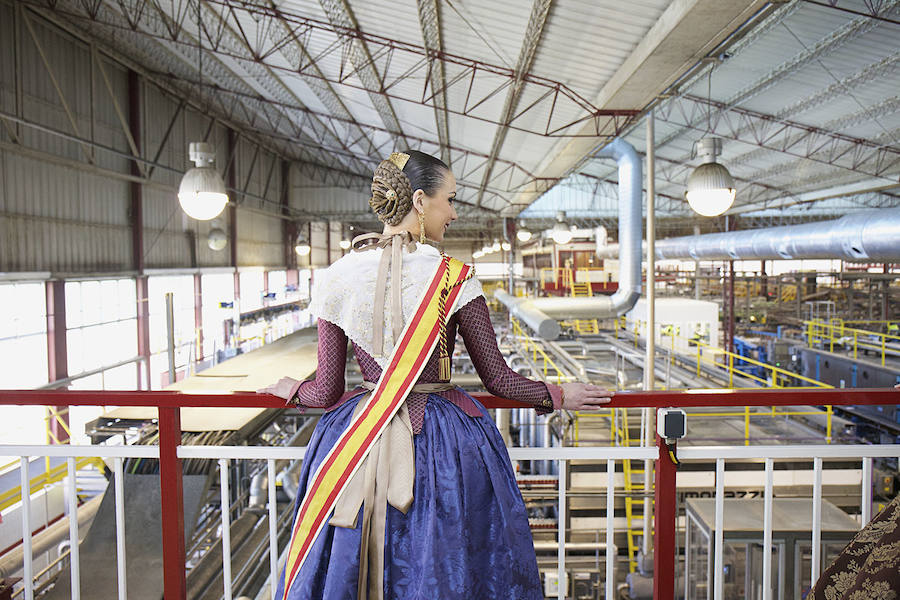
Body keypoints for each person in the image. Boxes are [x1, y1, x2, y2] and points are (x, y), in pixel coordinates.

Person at [260, 150, 612, 600]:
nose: (455, 212)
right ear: (421, 202)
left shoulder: (337, 277)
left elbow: (326, 388)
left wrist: (293, 390)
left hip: (357, 442)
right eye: (451, 200)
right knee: (451, 558)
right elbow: (498, 380)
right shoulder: (454, 277)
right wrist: (560, 394)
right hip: (442, 444)